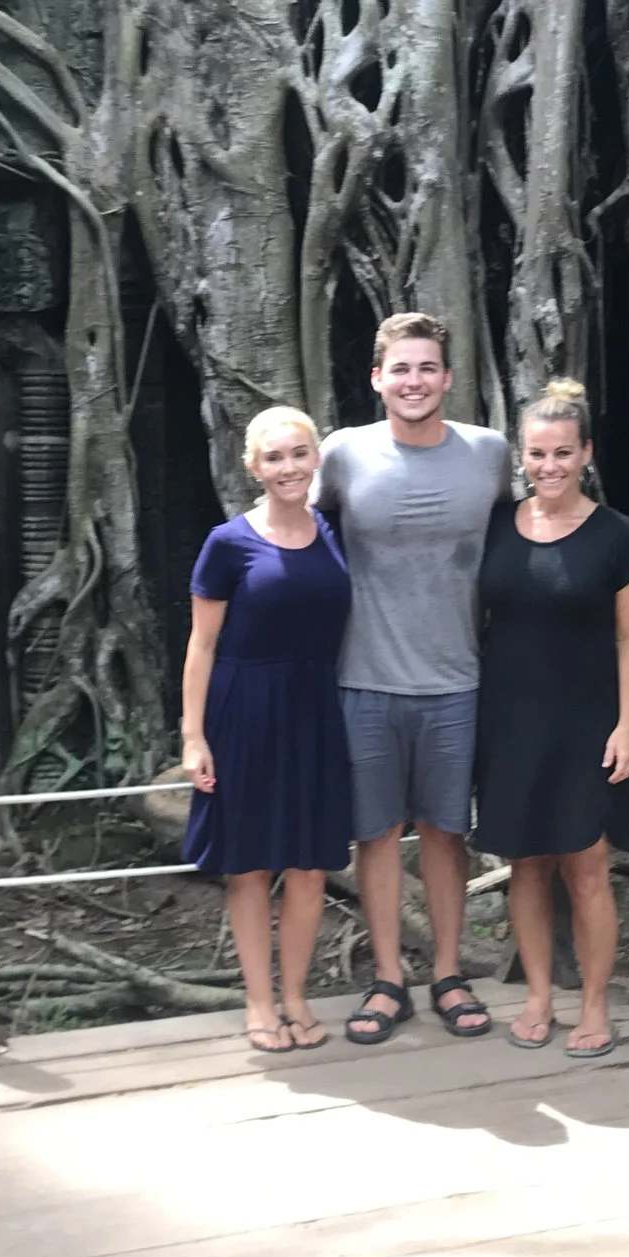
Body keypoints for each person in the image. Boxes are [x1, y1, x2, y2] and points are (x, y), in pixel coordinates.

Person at [313, 312, 513, 1044]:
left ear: (448, 377)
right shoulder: (343, 454)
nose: (414, 381)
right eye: (400, 369)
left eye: (427, 367)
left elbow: (519, 540)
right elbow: (302, 539)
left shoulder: (489, 454)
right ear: (377, 378)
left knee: (445, 831)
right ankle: (388, 977)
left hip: (457, 677)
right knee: (376, 833)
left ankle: (450, 973)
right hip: (362, 677)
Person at [475, 378, 629, 1059]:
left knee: (585, 866)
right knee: (526, 862)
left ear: (586, 454)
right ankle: (540, 995)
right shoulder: (498, 526)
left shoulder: (618, 537)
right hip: (509, 717)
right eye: (536, 454)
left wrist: (627, 724)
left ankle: (597, 1004)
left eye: (562, 453)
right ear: (522, 455)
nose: (548, 466)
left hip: (587, 720)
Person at [180, 407, 353, 1053]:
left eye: (299, 453)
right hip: (244, 707)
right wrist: (194, 735)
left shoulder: (334, 532)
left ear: (316, 460)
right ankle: (259, 1002)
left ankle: (298, 995)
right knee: (249, 865)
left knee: (309, 866)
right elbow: (200, 645)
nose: (289, 467)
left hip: (315, 709)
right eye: (275, 457)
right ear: (254, 466)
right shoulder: (229, 542)